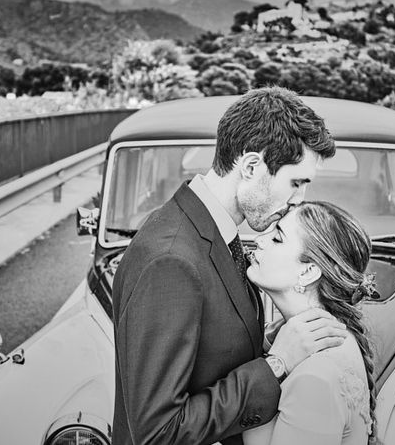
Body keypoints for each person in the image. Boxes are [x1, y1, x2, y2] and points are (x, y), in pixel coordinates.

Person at [111, 87, 346, 445]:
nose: (299, 200)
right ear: (251, 167)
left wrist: (265, 342)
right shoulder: (171, 261)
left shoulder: (213, 231)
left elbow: (206, 350)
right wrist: (277, 364)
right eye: (295, 183)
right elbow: (158, 432)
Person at [243, 201, 377, 445]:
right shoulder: (315, 335)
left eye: (277, 238)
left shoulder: (314, 379)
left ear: (308, 272)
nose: (259, 240)